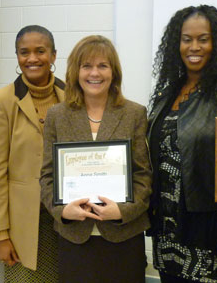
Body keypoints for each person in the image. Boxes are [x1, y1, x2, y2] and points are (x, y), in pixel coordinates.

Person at [147, 5, 217, 283]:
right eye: (186, 39)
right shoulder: (165, 91)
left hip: (210, 230)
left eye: (203, 39)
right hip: (167, 227)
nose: (193, 46)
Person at [40, 35, 152, 283]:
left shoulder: (134, 113)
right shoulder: (57, 115)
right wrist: (63, 211)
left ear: (114, 72)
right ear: (75, 71)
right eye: (87, 66)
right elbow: (47, 176)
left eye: (103, 65)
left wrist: (122, 211)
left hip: (123, 236)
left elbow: (143, 176)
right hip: (75, 238)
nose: (95, 73)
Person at [0, 25, 64, 282]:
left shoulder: (73, 95)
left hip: (67, 219)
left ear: (53, 55)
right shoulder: (1, 100)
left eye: (40, 51)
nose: (32, 58)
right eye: (24, 52)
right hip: (23, 223)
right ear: (17, 56)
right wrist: (0, 234)